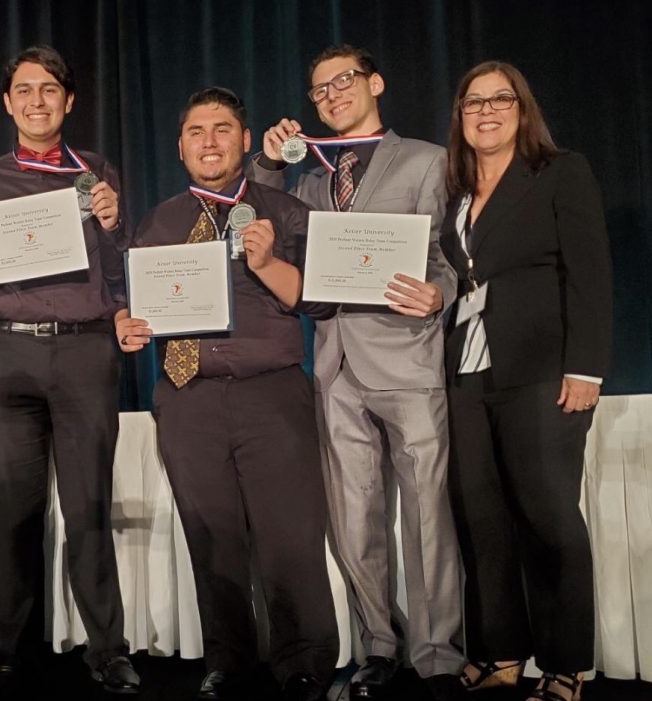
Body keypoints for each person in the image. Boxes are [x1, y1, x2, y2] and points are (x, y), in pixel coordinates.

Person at [248, 44, 464, 700]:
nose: (332, 94)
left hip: (407, 356)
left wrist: (440, 293)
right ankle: (379, 643)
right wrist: (265, 157)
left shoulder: (427, 160)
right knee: (352, 516)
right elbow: (255, 205)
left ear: (375, 81)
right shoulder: (310, 175)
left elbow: (454, 256)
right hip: (335, 363)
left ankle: (438, 656)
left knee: (428, 513)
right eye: (318, 90)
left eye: (343, 81)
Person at [116, 87, 339, 701]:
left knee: (289, 535)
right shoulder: (158, 222)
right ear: (180, 145)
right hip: (187, 397)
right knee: (210, 536)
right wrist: (128, 326)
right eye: (196, 131)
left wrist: (267, 263)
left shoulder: (284, 211)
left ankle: (304, 663)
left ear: (246, 140)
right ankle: (229, 662)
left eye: (222, 129)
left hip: (270, 394)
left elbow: (317, 297)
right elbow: (137, 306)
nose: (208, 141)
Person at [0, 45, 138, 698]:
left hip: (85, 351)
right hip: (7, 352)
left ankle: (107, 649)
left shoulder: (98, 174)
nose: (37, 100)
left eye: (49, 89)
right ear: (8, 103)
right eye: (24, 90)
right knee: (16, 512)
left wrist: (117, 229)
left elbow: (119, 274)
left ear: (69, 100)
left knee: (88, 506)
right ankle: (16, 654)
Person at [440, 61, 612, 701]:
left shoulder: (559, 172)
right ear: (459, 116)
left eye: (499, 99)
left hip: (544, 373)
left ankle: (566, 665)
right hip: (466, 373)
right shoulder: (453, 194)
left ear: (522, 108)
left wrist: (586, 367)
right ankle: (501, 653)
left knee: (548, 518)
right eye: (472, 102)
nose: (486, 111)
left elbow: (590, 273)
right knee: (481, 518)